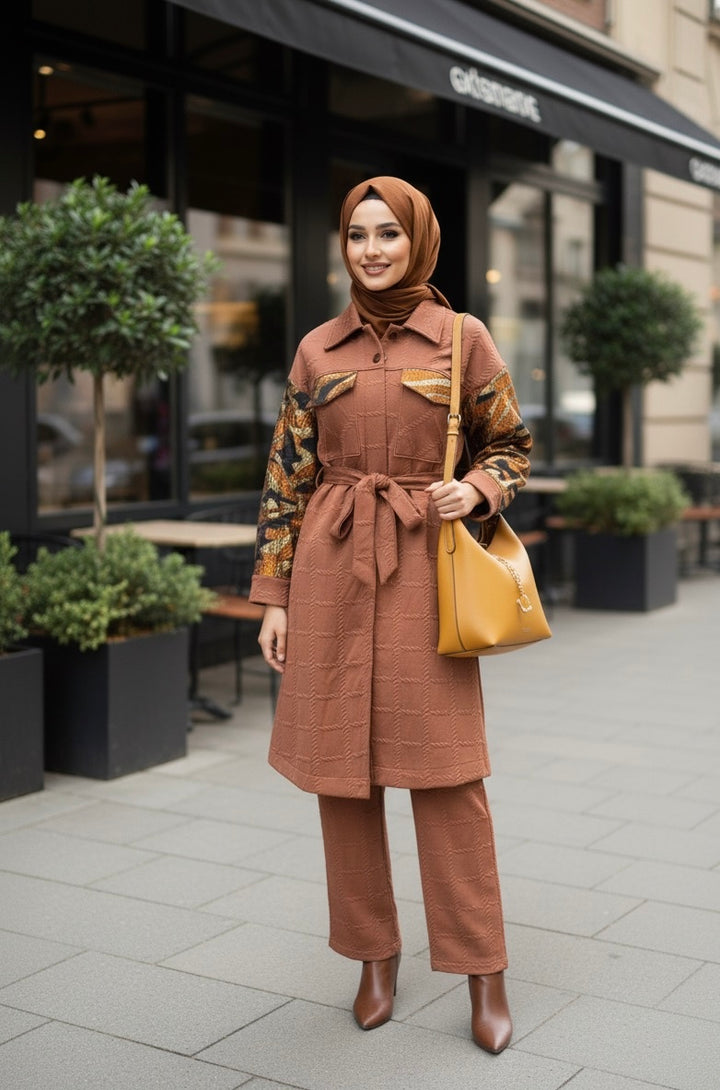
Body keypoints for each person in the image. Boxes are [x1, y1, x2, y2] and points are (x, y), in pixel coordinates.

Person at [250, 176, 532, 1053]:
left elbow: (513, 445)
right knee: (344, 781)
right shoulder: (316, 349)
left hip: (425, 570)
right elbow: (285, 478)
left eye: (388, 235)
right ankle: (374, 956)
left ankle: (483, 970)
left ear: (418, 242)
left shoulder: (462, 338)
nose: (372, 250)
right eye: (357, 235)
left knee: (451, 781)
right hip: (333, 573)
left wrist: (476, 487)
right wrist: (275, 597)